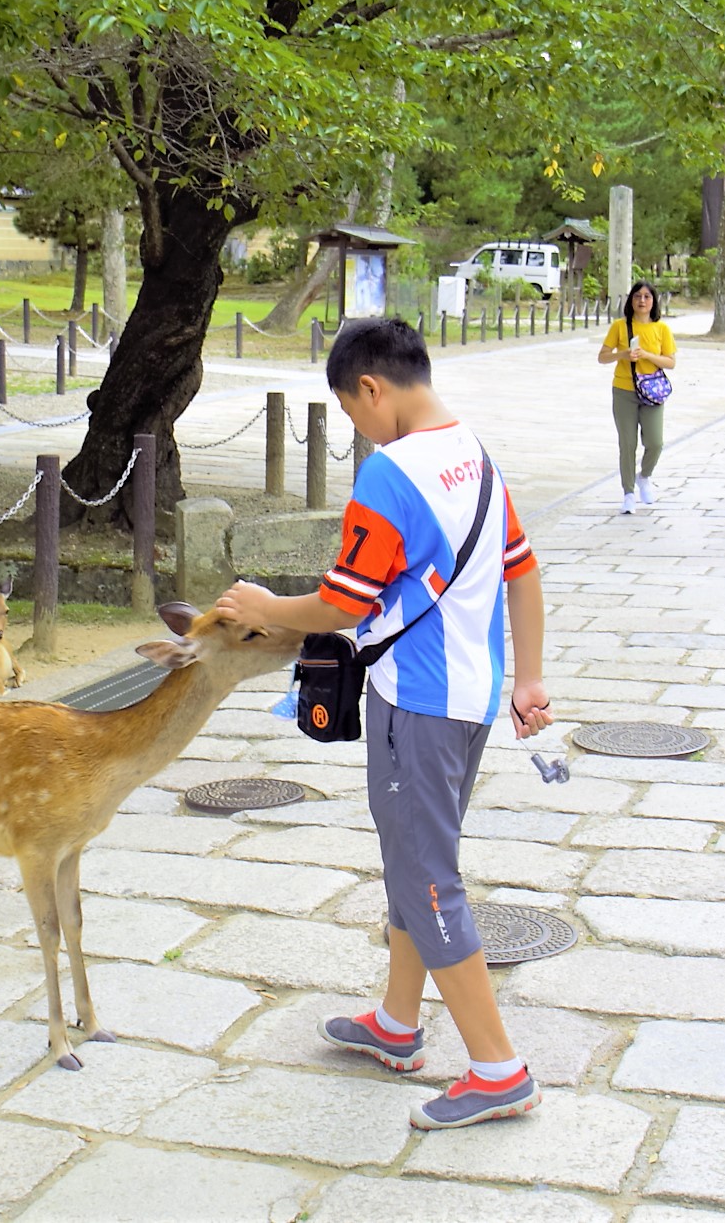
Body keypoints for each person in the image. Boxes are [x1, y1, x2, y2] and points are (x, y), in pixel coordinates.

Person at [215, 316, 552, 1131]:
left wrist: (264, 606)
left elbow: (342, 602)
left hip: (415, 704)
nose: (355, 427)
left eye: (349, 409)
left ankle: (497, 1068)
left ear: (370, 387)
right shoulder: (474, 456)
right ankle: (397, 1026)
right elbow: (522, 569)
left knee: (428, 877)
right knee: (414, 859)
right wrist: (531, 678)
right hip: (472, 697)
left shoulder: (389, 475)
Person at [596, 282, 676, 514]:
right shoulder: (620, 327)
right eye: (638, 296)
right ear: (631, 300)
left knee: (655, 442)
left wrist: (648, 355)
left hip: (652, 391)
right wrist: (622, 354)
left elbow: (670, 362)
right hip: (624, 390)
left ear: (654, 301)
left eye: (647, 296)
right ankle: (628, 492)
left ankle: (645, 476)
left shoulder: (662, 329)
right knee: (627, 443)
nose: (642, 301)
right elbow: (602, 357)